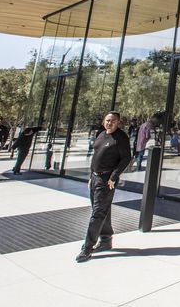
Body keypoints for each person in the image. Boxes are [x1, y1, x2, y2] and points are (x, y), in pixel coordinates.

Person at [77, 111, 131, 263]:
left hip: (106, 180)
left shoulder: (120, 137)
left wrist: (114, 177)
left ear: (118, 122)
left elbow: (126, 158)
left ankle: (87, 248)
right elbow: (96, 157)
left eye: (113, 121)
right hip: (95, 178)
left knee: (97, 214)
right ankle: (106, 240)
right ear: (103, 121)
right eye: (107, 120)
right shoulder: (101, 135)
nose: (109, 123)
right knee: (102, 211)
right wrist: (91, 176)